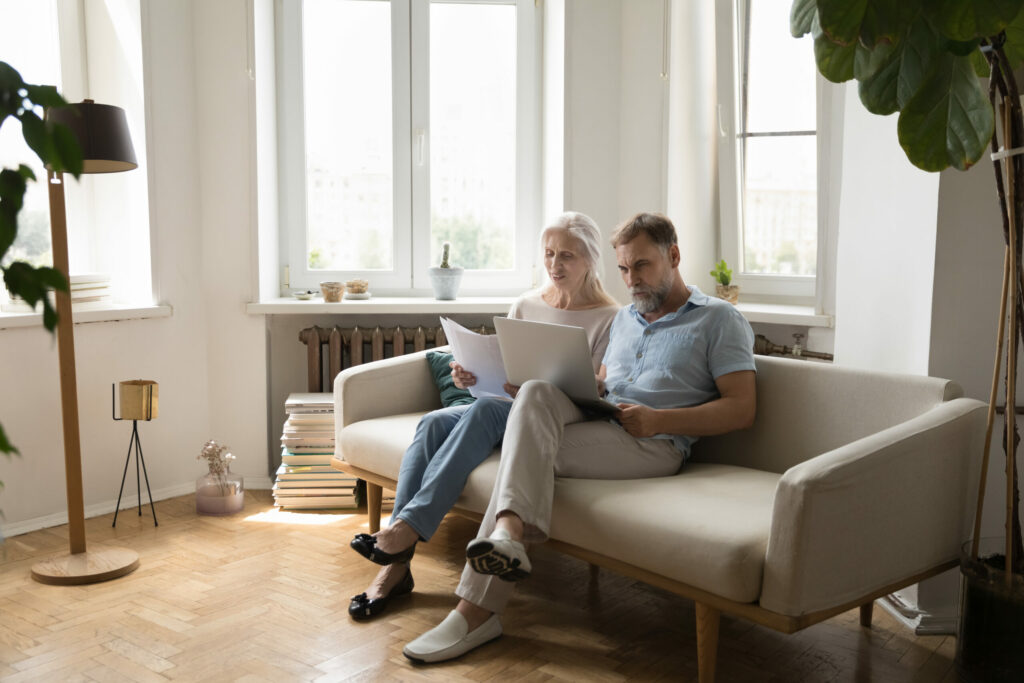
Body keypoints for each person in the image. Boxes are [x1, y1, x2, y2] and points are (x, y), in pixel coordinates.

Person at [402, 212, 757, 663]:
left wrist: (660, 420)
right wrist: (587, 389)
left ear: (674, 255)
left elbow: (742, 409)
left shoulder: (719, 319)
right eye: (625, 269)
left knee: (522, 450)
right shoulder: (627, 318)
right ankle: (508, 537)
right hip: (602, 422)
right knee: (534, 391)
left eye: (642, 266)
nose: (632, 281)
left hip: (654, 443)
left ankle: (474, 612)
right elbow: (607, 381)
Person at [348, 212, 620, 621]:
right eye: (548, 254)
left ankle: (404, 532)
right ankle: (397, 567)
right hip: (503, 406)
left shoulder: (610, 316)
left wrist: (531, 387)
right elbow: (503, 371)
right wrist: (468, 374)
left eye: (566, 255)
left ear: (591, 260)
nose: (555, 265)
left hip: (556, 422)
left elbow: (597, 390)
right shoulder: (526, 303)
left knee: (492, 408)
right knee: (434, 421)